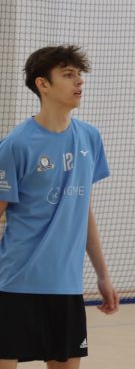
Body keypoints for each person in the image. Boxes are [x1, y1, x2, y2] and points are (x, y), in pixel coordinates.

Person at [0, 45, 119, 369]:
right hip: (15, 284)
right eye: (68, 75)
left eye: (79, 74)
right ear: (43, 84)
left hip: (66, 287)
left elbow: (83, 211)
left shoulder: (90, 138)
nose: (79, 81)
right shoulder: (15, 145)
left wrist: (103, 275)